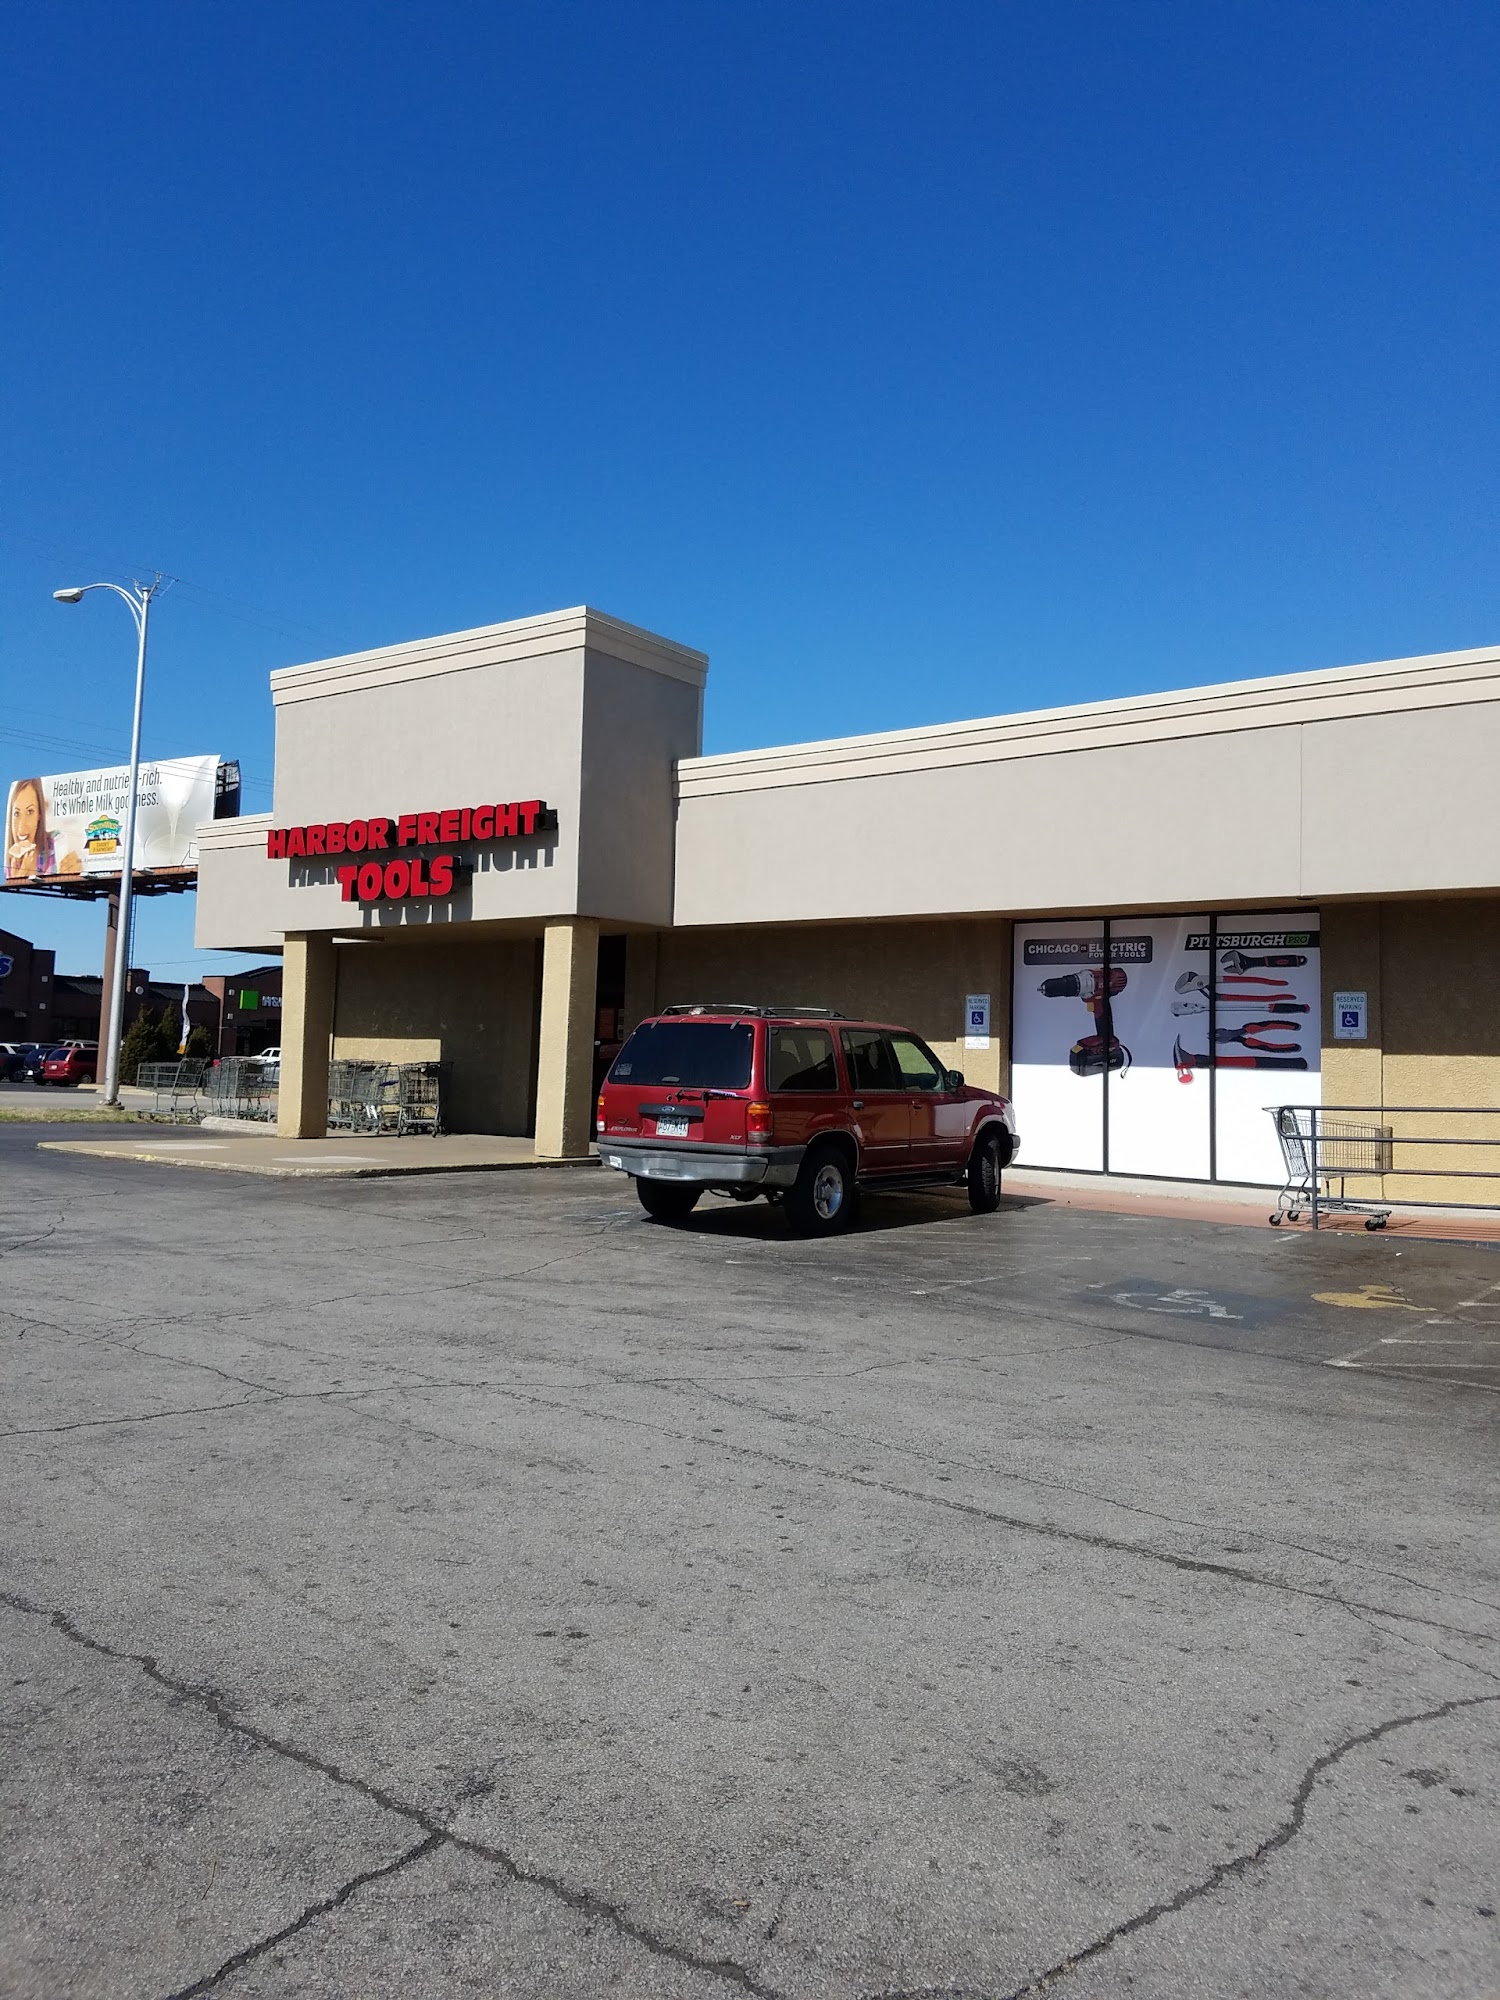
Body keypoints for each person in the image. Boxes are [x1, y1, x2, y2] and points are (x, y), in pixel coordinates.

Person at [5, 778, 80, 879]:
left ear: (39, 814)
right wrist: (17, 881)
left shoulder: (57, 843)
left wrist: (77, 876)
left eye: (30, 811)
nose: (22, 826)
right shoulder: (9, 863)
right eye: (16, 813)